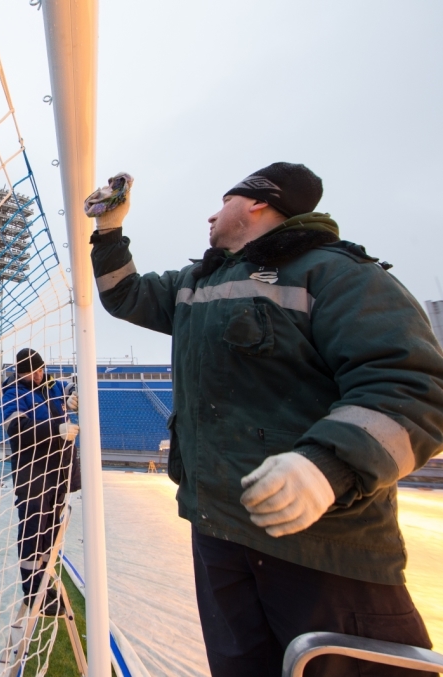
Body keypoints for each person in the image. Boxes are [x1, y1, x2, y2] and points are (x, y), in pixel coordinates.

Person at [85, 162, 443, 676]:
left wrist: (327, 465)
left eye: (224, 200)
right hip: (219, 534)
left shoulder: (337, 273)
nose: (212, 214)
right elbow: (125, 295)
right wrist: (109, 229)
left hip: (323, 547)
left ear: (258, 202)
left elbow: (414, 387)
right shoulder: (196, 282)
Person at [0, 348, 80, 616]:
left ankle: (44, 586)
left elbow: (69, 387)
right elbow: (17, 433)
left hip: (58, 471)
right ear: (22, 373)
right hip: (32, 473)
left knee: (49, 531)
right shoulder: (13, 393)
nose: (39, 374)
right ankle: (32, 591)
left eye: (41, 369)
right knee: (33, 530)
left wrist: (72, 397)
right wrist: (56, 431)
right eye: (34, 371)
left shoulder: (51, 385)